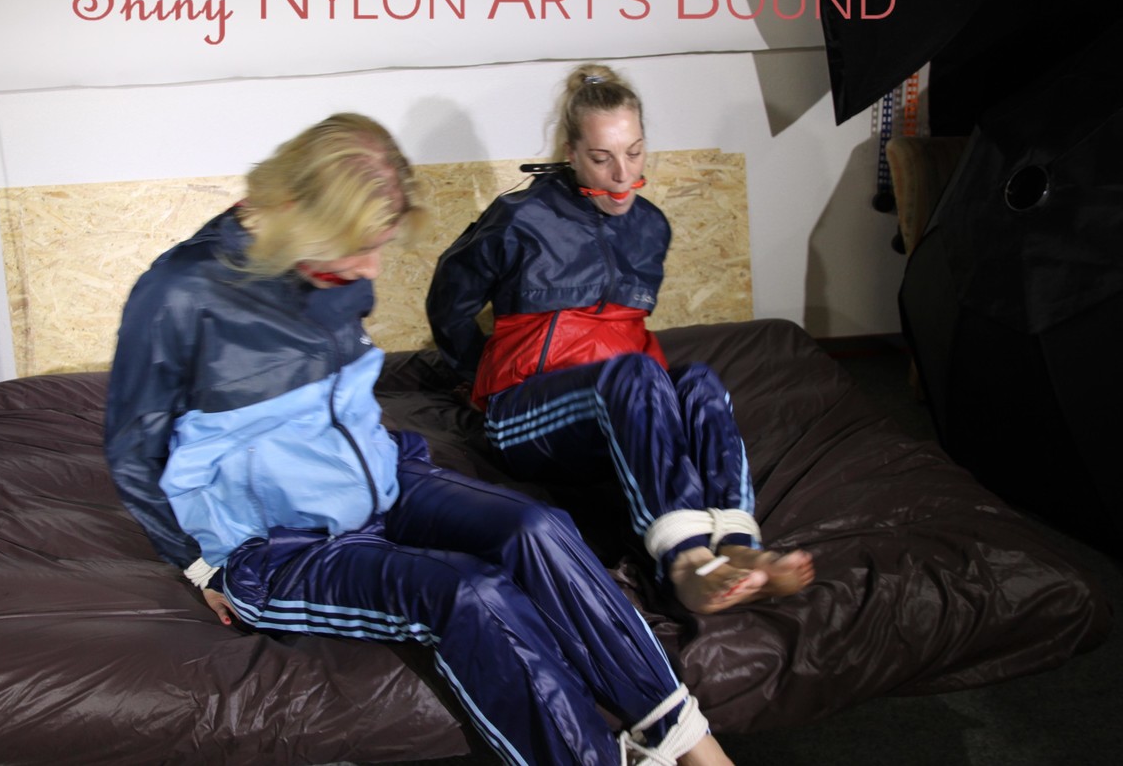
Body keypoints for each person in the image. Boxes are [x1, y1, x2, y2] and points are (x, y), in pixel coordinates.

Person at [104, 113, 735, 766]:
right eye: (361, 247)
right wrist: (199, 564)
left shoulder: (330, 259)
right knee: (469, 591)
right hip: (280, 542)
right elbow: (132, 448)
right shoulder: (181, 292)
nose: (372, 267)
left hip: (383, 479)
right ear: (299, 212)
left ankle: (687, 739)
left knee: (537, 526)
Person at [426, 65, 814, 615]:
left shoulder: (651, 226)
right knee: (634, 374)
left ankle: (737, 544)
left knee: (699, 381)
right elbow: (449, 303)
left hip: (619, 414)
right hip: (528, 411)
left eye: (634, 153)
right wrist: (477, 380)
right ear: (571, 153)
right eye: (601, 158)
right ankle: (685, 563)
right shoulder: (520, 217)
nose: (621, 175)